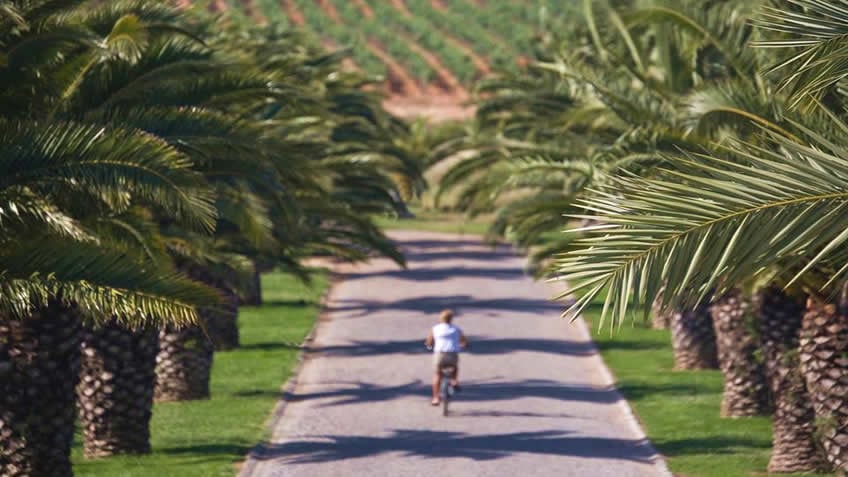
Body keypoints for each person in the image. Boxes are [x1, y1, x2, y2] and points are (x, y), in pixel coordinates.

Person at [425, 309, 468, 406]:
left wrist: (429, 346)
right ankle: (454, 381)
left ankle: (436, 398)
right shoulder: (456, 329)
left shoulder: (435, 328)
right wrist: (463, 345)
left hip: (440, 354)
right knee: (455, 367)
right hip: (452, 354)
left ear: (441, 318)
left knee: (437, 374)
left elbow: (429, 341)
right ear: (451, 319)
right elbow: (464, 341)